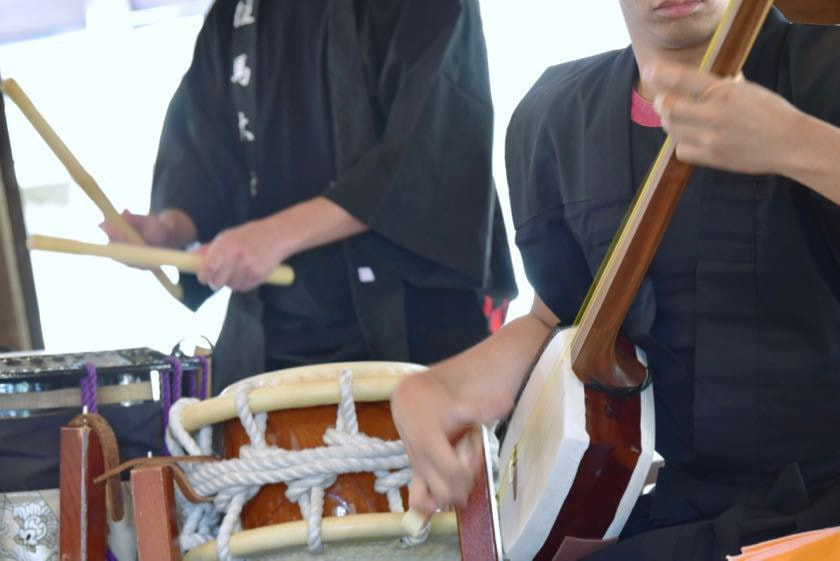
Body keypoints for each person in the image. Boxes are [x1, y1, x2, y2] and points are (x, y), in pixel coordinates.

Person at [391, 2, 840, 559]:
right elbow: (557, 321)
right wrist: (440, 388)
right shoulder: (556, 118)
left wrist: (799, 143)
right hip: (674, 514)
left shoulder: (824, 69)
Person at [103, 0, 516, 393]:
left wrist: (274, 236)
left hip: (409, 331)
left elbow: (431, 144)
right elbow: (207, 157)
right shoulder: (236, 11)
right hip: (267, 345)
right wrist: (167, 231)